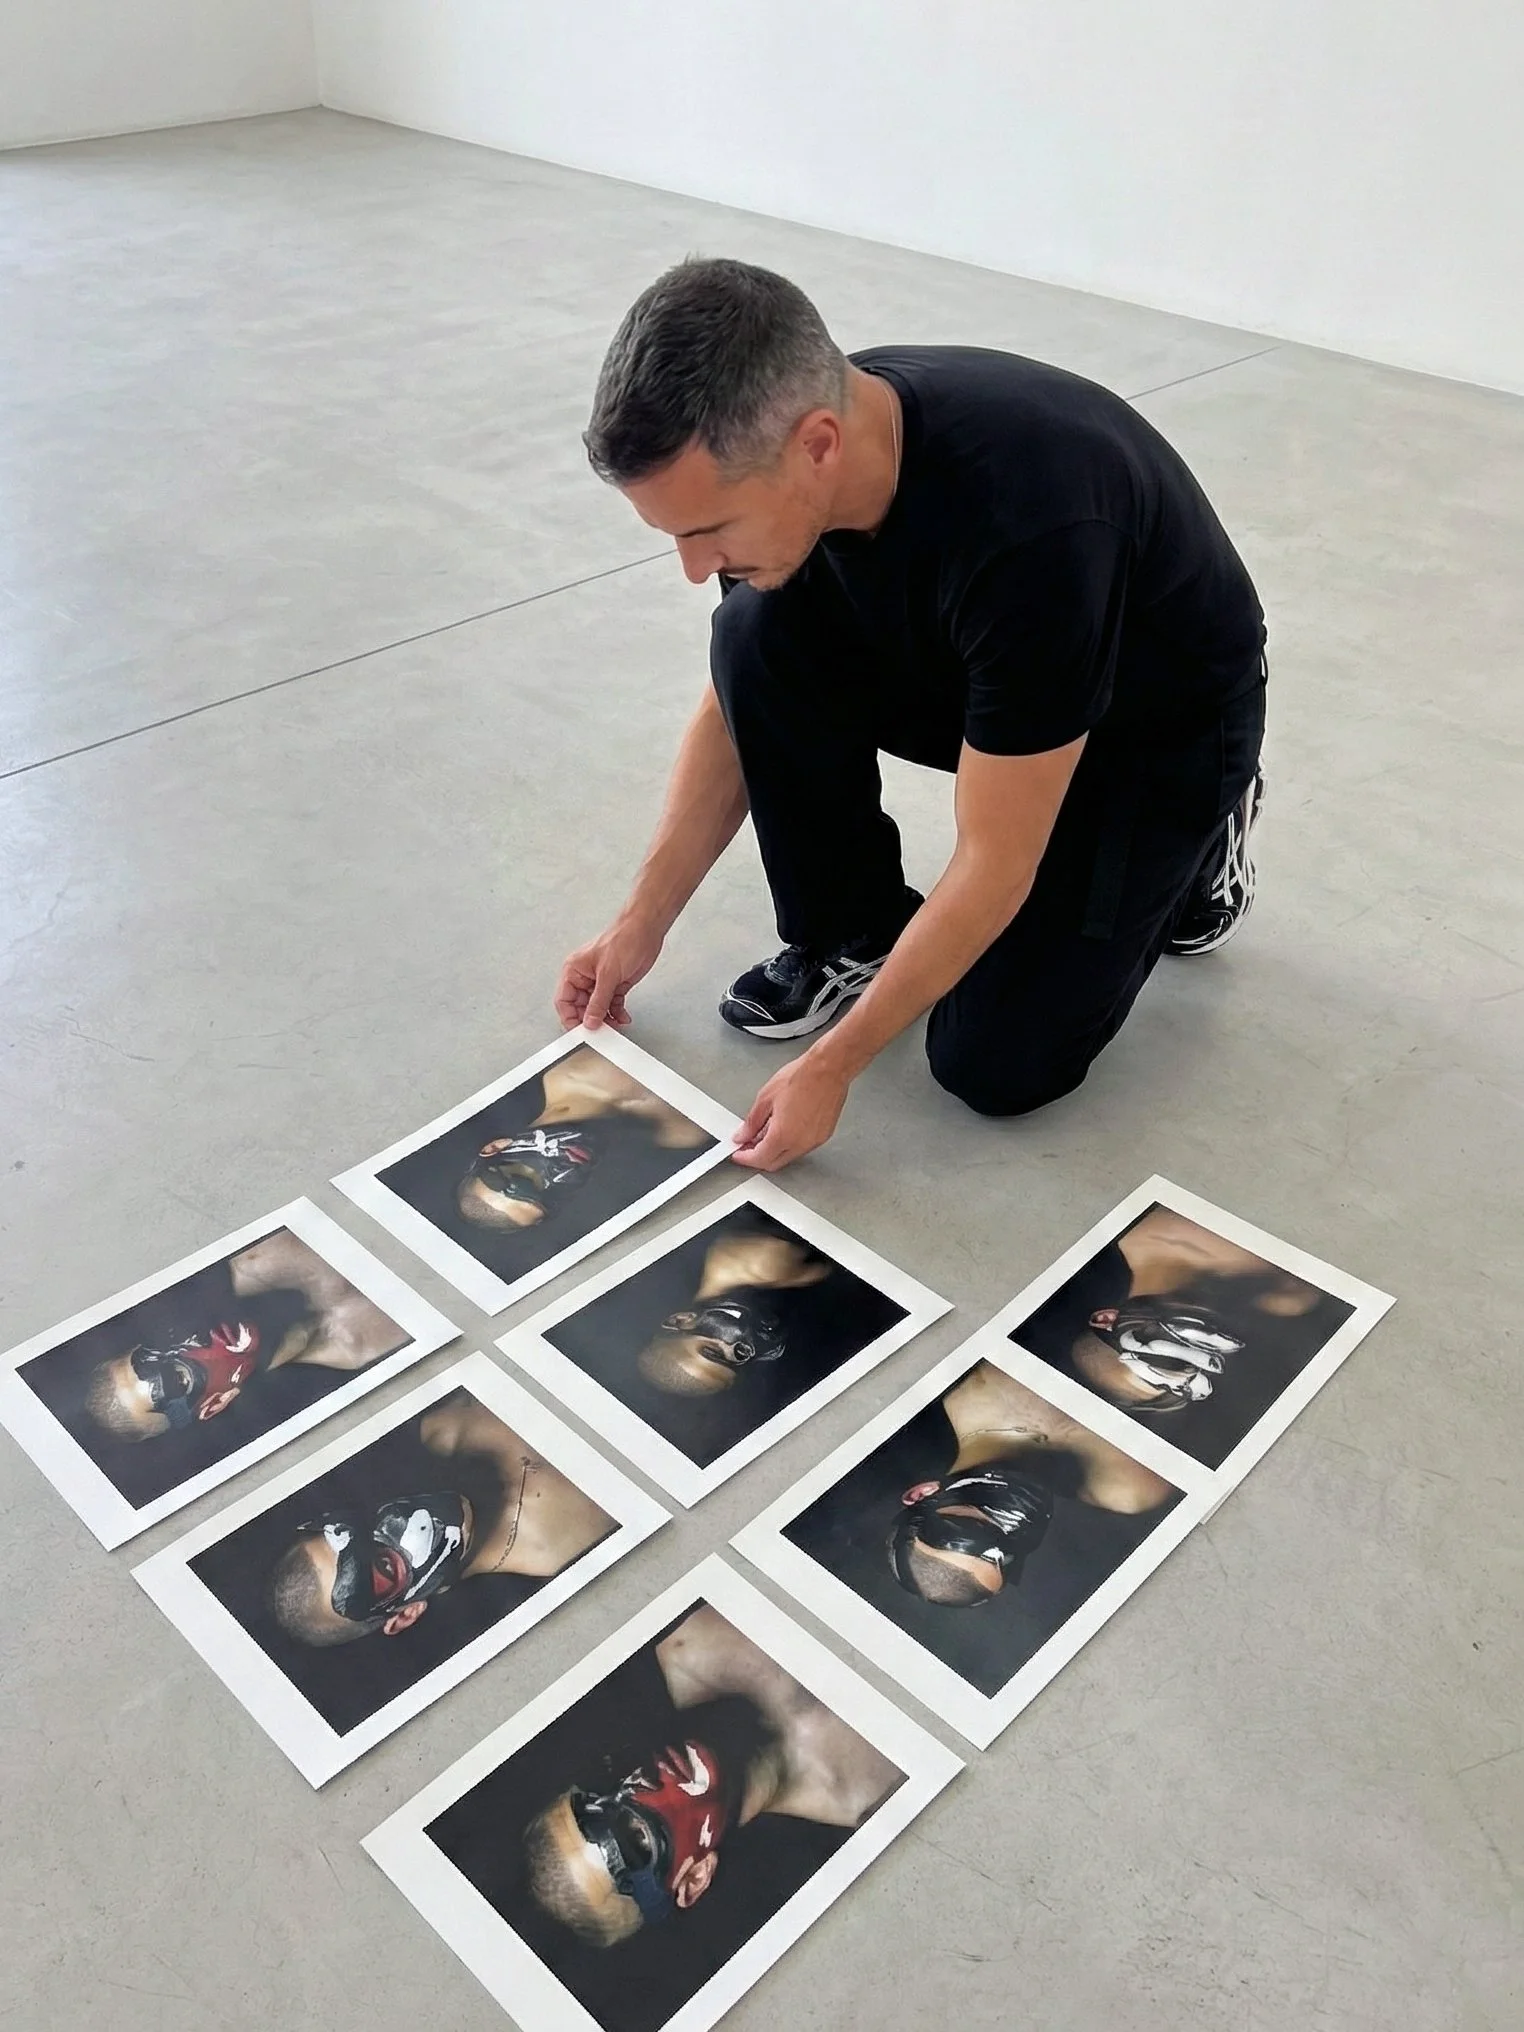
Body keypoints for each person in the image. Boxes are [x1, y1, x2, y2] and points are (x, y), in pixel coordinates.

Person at [555, 259, 1268, 1171]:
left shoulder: (1033, 527)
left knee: (993, 1063)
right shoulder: (794, 438)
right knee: (752, 633)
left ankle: (1205, 835)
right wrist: (638, 923)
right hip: (988, 675)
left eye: (707, 532)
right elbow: (739, 710)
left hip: (1154, 725)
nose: (693, 566)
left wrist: (834, 1064)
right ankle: (854, 928)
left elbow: (995, 855)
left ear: (818, 445)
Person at [523, 1604, 903, 1946]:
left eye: (602, 1796)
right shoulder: (877, 1804)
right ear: (695, 1879)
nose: (637, 1790)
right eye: (636, 1840)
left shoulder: (686, 1639)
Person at [263, 1390, 614, 1646]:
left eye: (362, 1525)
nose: (395, 1524)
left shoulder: (442, 1420)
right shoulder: (576, 1559)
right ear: (406, 1614)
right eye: (383, 1566)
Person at [887, 1359, 1174, 1607]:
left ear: (924, 1494)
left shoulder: (973, 1382)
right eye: (1008, 1554)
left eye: (976, 1529)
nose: (1011, 1526)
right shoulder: (1127, 1488)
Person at [82, 1229, 406, 1443]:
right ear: (215, 1404)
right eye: (178, 1379)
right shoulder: (361, 1352)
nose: (193, 1343)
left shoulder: (262, 1253)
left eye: (161, 1346)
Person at [1018, 1204, 1320, 1419]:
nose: (1186, 1354)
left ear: (1105, 1319)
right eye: (1183, 1370)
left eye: (1160, 1359)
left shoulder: (1142, 1236)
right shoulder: (1286, 1296)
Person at [456, 1043, 710, 1232]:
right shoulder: (684, 1135)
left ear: (495, 1147)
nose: (558, 1175)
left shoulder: (570, 1058)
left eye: (525, 1177)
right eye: (551, 1195)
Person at [636, 1220, 829, 1397]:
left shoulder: (756, 1264)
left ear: (682, 1320)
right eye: (738, 1362)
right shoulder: (772, 1303)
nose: (748, 1351)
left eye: (714, 1352)